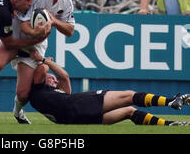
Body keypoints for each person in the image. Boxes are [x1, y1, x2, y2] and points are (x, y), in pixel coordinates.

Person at [29, 51, 190, 126]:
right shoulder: (37, 91)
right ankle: (170, 101)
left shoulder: (51, 95)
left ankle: (169, 124)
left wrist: (47, 66)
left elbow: (64, 77)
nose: (53, 78)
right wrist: (44, 60)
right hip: (79, 105)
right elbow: (43, 70)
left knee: (129, 111)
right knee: (129, 95)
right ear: (42, 81)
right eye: (51, 78)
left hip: (77, 119)